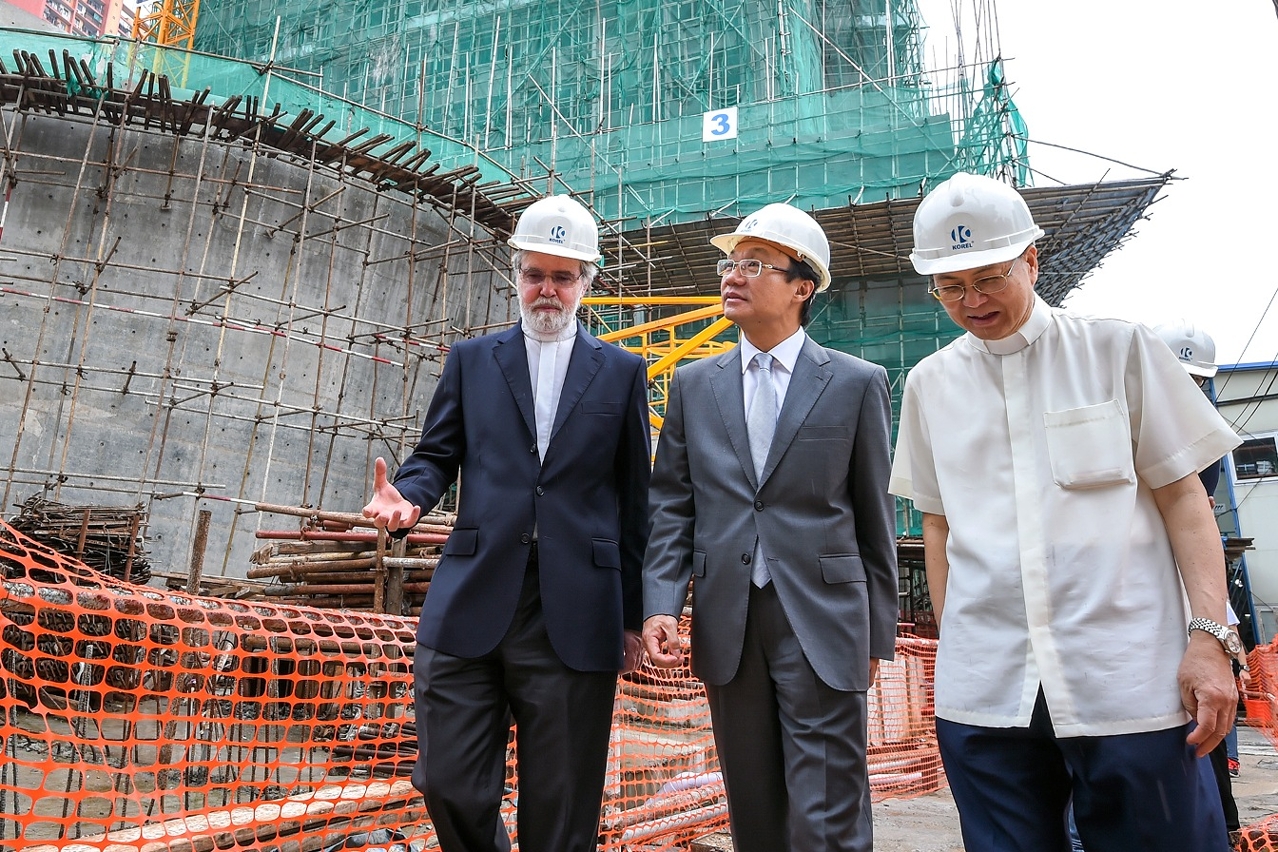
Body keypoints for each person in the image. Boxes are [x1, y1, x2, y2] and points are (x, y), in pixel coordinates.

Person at [889, 171, 1242, 852]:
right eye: (949, 286)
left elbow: (1184, 498)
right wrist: (957, 644)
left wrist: (1210, 639)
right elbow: (937, 522)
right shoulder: (931, 385)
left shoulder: (1119, 351)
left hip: (1129, 679)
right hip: (989, 693)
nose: (971, 301)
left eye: (988, 278)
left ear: (1031, 259)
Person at [362, 194, 651, 852]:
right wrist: (407, 498)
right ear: (515, 275)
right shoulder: (472, 360)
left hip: (576, 611)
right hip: (473, 597)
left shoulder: (622, 375)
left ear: (588, 281)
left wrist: (634, 616)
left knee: (562, 807)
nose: (546, 289)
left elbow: (637, 504)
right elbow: (437, 455)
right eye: (534, 274)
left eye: (562, 275)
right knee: (447, 781)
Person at [642, 204, 898, 852]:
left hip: (825, 621)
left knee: (826, 818)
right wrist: (661, 604)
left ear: (802, 285)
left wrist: (879, 633)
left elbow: (875, 515)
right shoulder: (694, 385)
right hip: (730, 621)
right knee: (755, 815)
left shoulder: (855, 384)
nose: (734, 275)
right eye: (731, 262)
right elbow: (673, 504)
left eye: (755, 264)